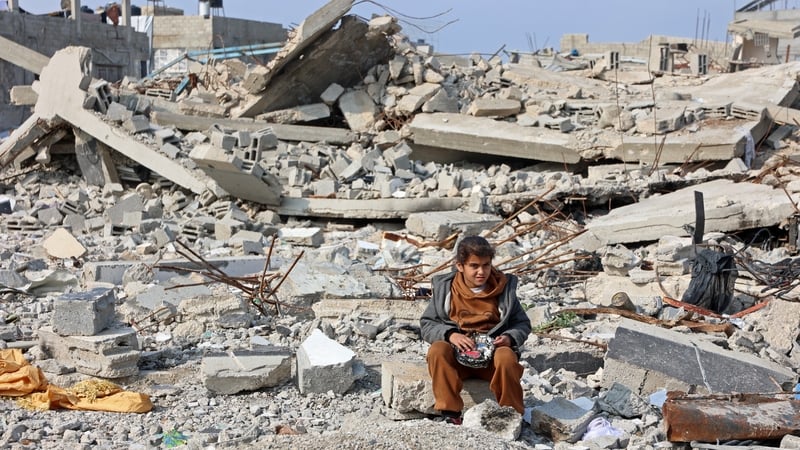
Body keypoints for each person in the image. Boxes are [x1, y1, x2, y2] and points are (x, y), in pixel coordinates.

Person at [420, 235, 531, 424]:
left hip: (491, 361)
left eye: (486, 265)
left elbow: (522, 324)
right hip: (458, 358)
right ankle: (450, 413)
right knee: (438, 350)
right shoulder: (445, 289)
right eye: (474, 266)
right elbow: (428, 324)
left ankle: (511, 415)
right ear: (460, 266)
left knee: (506, 356)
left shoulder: (503, 289)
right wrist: (450, 335)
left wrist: (509, 338)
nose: (481, 272)